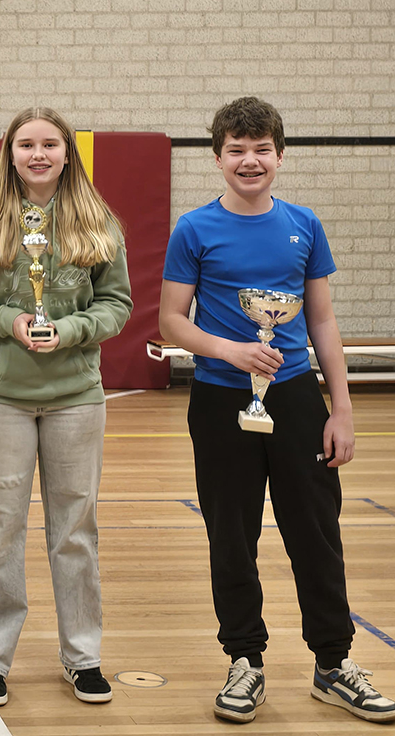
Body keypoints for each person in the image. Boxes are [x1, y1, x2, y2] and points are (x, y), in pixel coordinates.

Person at [159, 96, 394, 724]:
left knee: (315, 532)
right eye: (236, 149)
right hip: (218, 397)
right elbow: (171, 321)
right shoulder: (194, 230)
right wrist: (231, 351)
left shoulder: (304, 224)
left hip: (294, 397)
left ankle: (333, 663)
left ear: (280, 155)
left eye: (261, 148)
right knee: (230, 534)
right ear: (217, 158)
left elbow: (320, 318)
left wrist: (340, 408)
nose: (250, 160)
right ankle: (245, 661)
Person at [0, 107, 131, 708]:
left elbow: (117, 304)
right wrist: (10, 320)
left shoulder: (96, 221)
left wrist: (71, 329)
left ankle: (83, 656)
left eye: (50, 143)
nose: (39, 154)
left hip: (76, 398)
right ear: (9, 153)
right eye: (27, 144)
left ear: (68, 153)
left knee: (75, 530)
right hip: (0, 396)